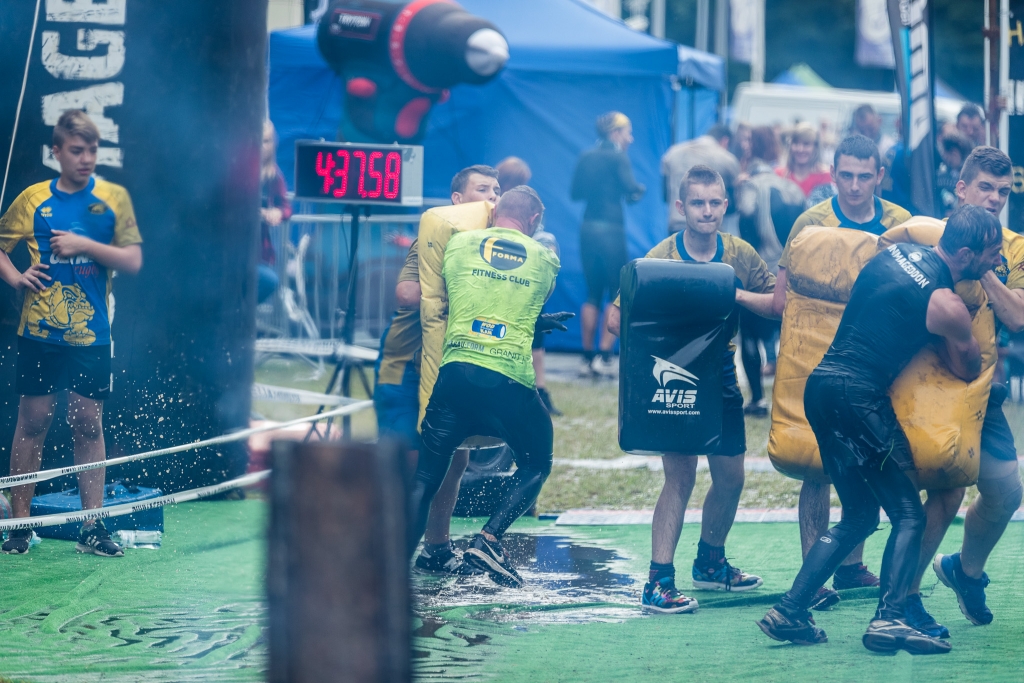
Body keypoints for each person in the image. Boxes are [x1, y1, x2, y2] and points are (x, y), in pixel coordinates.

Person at [758, 204, 1003, 654]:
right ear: (966, 255)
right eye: (991, 254)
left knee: (859, 515)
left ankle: (790, 610)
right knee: (909, 514)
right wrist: (955, 333)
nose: (997, 261)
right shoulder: (946, 304)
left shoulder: (891, 253)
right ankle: (889, 618)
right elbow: (969, 367)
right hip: (859, 398)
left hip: (821, 388)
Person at [607, 165, 775, 614]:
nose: (707, 211)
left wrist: (731, 293)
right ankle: (658, 581)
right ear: (681, 207)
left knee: (732, 478)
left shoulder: (739, 254)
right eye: (697, 203)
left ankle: (711, 563)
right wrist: (667, 337)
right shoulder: (661, 256)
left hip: (721, 375)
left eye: (714, 202)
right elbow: (615, 319)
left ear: (726, 204)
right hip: (677, 375)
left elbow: (777, 304)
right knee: (680, 477)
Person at [771, 134, 912, 608]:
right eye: (845, 175)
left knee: (870, 459)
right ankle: (813, 578)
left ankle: (851, 567)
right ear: (832, 174)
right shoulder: (811, 222)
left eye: (863, 176)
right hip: (819, 356)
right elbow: (785, 300)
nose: (853, 186)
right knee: (816, 465)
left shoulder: (901, 224)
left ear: (880, 176)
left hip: (879, 361)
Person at [0, 110, 143, 556]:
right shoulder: (33, 199)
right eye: (77, 151)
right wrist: (16, 277)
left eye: (92, 151)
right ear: (56, 152)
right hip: (39, 333)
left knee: (87, 423)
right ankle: (20, 527)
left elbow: (132, 260)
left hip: (93, 335)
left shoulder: (113, 198)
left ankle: (92, 527)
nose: (86, 159)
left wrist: (85, 246)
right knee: (33, 421)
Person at [408, 186, 560, 588]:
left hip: (454, 374)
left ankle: (390, 566)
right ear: (534, 221)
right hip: (507, 378)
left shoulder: (458, 245)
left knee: (426, 477)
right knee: (537, 461)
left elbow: (466, 295)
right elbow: (524, 298)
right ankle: (488, 540)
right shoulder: (545, 257)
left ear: (494, 213)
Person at [904, 147, 1023, 633]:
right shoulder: (927, 233)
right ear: (961, 188)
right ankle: (903, 597)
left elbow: (1018, 315)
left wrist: (984, 259)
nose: (994, 198)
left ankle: (964, 571)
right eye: (985, 188)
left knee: (1006, 492)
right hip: (922, 384)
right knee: (946, 490)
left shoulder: (1014, 247)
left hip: (979, 390)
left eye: (1003, 191)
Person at [375, 164, 499, 575]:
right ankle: (382, 551)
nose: (492, 197)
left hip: (448, 363)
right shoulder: (433, 238)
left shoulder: (494, 245)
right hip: (405, 366)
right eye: (483, 189)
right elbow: (407, 293)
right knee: (412, 461)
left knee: (455, 459)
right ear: (458, 200)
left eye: (497, 190)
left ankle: (436, 548)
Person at [571, 111, 645, 378]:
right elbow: (631, 188)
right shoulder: (618, 157)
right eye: (627, 133)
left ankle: (586, 357)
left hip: (588, 229)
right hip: (611, 230)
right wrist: (638, 190)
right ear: (615, 133)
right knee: (616, 292)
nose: (630, 139)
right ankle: (604, 356)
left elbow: (575, 193)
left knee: (592, 293)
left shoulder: (586, 156)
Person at [734, 158, 805, 415]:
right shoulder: (792, 187)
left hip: (761, 272)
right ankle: (796, 401)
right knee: (795, 337)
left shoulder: (751, 186)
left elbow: (746, 220)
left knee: (749, 334)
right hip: (793, 272)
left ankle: (757, 399)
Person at [496, 157, 563, 416]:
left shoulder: (523, 208)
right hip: (508, 284)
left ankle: (540, 391)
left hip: (520, 286)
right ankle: (535, 392)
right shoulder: (496, 207)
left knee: (536, 340)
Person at [660, 123, 740, 235]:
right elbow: (733, 205)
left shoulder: (671, 154)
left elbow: (665, 195)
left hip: (677, 224)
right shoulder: (727, 159)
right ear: (725, 141)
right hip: (709, 228)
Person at [258, 121, 291, 304]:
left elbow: (286, 207)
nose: (262, 146)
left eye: (267, 141)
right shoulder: (236, 170)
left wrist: (278, 213)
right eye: (259, 140)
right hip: (233, 248)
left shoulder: (274, 175)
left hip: (260, 251)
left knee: (269, 281)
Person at [775, 122, 833, 201]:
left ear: (815, 147)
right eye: (796, 143)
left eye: (806, 144)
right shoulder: (779, 175)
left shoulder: (826, 177)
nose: (800, 149)